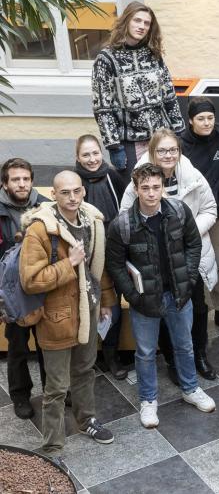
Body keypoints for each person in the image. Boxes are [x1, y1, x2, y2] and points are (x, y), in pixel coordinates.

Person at [105, 163, 216, 429]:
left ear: (163, 187)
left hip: (178, 293)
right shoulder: (122, 225)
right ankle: (148, 400)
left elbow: (193, 245)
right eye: (145, 188)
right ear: (136, 189)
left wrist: (189, 280)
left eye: (156, 187)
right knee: (144, 352)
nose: (152, 193)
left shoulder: (178, 211)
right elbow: (116, 265)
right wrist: (133, 295)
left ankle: (191, 389)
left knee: (185, 344)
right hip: (145, 300)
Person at [20, 171, 117, 457]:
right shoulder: (40, 230)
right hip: (57, 319)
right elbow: (31, 280)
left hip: (89, 309)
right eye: (65, 192)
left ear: (84, 191)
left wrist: (107, 300)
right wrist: (69, 264)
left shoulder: (93, 220)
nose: (73, 197)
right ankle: (53, 445)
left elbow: (100, 268)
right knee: (57, 387)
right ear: (53, 194)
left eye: (77, 191)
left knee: (85, 371)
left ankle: (87, 421)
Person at [120, 129, 219, 382]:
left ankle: (199, 355)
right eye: (162, 150)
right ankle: (172, 361)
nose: (168, 155)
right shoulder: (139, 179)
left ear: (179, 151)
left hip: (187, 254)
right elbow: (124, 219)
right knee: (160, 311)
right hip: (154, 259)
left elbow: (210, 208)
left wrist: (187, 234)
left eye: (172, 150)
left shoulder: (192, 175)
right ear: (152, 152)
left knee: (196, 306)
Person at [91, 2, 184, 177]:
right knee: (136, 191)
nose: (141, 26)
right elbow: (103, 108)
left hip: (161, 139)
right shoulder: (106, 59)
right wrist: (114, 146)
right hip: (130, 142)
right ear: (126, 21)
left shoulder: (154, 54)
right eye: (137, 20)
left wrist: (179, 131)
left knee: (164, 187)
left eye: (146, 23)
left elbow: (169, 96)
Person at [72, 135, 131, 378]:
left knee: (112, 307)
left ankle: (111, 354)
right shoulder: (74, 182)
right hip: (85, 255)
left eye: (95, 153)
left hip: (114, 252)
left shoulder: (112, 175)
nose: (92, 159)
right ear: (77, 157)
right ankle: (87, 356)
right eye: (86, 155)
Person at [179, 99, 219, 338]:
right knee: (194, 262)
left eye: (210, 118)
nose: (206, 123)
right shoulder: (181, 145)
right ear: (191, 120)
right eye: (201, 119)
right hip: (187, 216)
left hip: (217, 212)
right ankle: (199, 308)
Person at [1, 158, 50, 419]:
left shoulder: (44, 205)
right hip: (11, 294)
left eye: (25, 179)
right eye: (15, 180)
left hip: (42, 288)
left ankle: (52, 393)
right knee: (17, 347)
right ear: (5, 183)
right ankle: (21, 397)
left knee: (46, 344)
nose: (21, 184)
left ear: (31, 180)